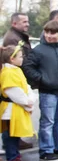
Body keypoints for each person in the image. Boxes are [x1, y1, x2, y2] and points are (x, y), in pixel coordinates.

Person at [22, 20, 58, 161]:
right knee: (48, 122)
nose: (49, 35)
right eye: (47, 32)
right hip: (48, 92)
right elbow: (28, 67)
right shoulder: (39, 50)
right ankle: (46, 150)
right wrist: (41, 79)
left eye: (52, 33)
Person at [0, 44, 35, 161]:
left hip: (16, 109)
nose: (23, 58)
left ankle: (15, 157)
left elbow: (26, 87)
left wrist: (30, 99)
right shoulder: (8, 72)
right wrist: (27, 102)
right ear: (11, 58)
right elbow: (13, 92)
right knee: (10, 136)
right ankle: (13, 160)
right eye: (20, 56)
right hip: (10, 110)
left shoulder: (15, 70)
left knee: (13, 136)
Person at [2, 13, 34, 150]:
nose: (27, 24)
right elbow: (13, 91)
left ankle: (15, 147)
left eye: (28, 21)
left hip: (20, 78)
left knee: (12, 131)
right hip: (12, 100)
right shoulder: (12, 39)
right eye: (24, 21)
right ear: (14, 23)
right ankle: (12, 153)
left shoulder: (19, 37)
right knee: (9, 131)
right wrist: (27, 102)